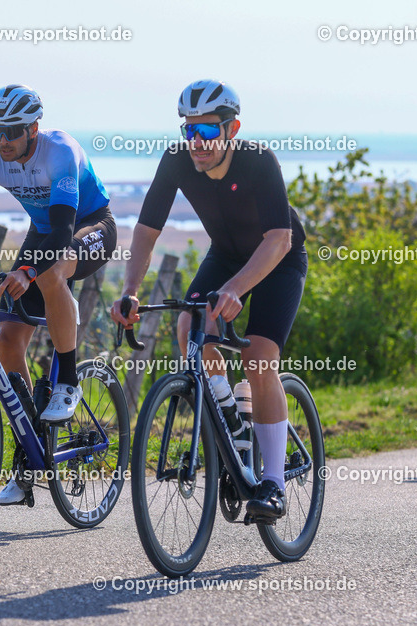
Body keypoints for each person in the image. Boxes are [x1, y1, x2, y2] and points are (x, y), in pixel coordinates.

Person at [110, 79, 307, 521]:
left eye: (208, 131)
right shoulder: (178, 161)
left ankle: (273, 483)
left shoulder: (259, 162)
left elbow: (279, 238)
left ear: (232, 128)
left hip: (277, 257)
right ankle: (232, 426)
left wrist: (237, 287)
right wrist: (129, 291)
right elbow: (146, 231)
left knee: (258, 356)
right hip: (226, 253)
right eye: (189, 130)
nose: (196, 142)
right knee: (190, 330)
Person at [0, 85, 116, 505]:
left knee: (50, 273)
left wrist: (29, 269)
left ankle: (67, 380)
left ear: (33, 128)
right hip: (43, 232)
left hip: (89, 226)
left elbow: (64, 232)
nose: (3, 140)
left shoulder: (61, 151)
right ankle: (30, 448)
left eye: (12, 131)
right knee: (7, 342)